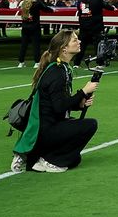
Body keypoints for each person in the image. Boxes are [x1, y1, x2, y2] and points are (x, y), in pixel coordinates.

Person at [11, 29, 99, 174]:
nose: (79, 42)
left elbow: (57, 102)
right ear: (64, 48)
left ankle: (40, 157)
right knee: (90, 125)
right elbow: (59, 107)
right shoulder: (57, 72)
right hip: (45, 129)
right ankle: (47, 160)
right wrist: (83, 92)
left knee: (75, 159)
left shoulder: (61, 68)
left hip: (49, 126)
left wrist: (79, 104)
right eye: (75, 40)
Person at [75, 0, 116, 64]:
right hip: (96, 26)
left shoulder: (81, 0)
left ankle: (77, 62)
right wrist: (113, 8)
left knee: (82, 45)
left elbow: (86, 12)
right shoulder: (97, 0)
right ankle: (100, 62)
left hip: (84, 26)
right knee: (98, 45)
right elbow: (106, 6)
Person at [17, 0, 54, 67]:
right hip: (34, 26)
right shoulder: (37, 3)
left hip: (25, 26)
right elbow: (45, 8)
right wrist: (53, 10)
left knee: (24, 44)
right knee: (36, 45)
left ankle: (21, 62)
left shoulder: (23, 3)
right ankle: (37, 62)